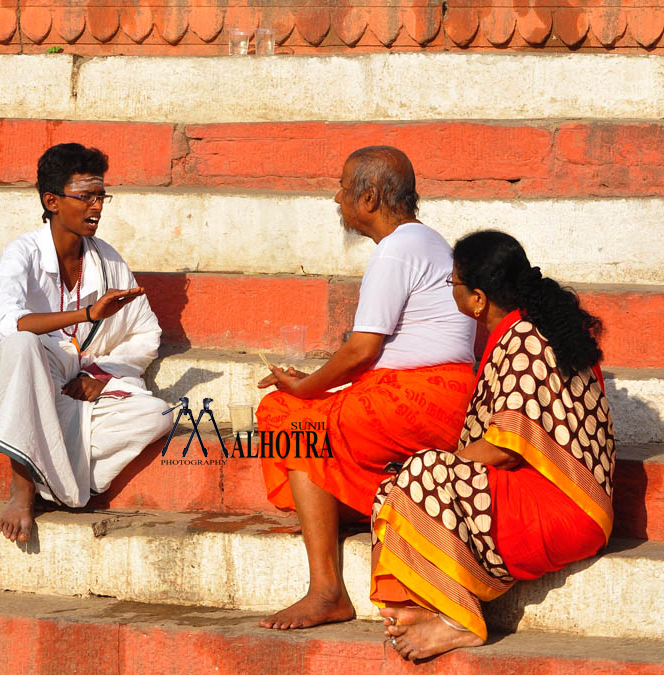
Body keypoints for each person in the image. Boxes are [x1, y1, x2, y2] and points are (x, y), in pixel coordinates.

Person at [255, 146, 477, 630]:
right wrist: (312, 384)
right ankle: (349, 506)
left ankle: (326, 591)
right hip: (439, 393)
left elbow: (362, 351)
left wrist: (305, 389)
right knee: (305, 410)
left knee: (287, 415)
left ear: (370, 197)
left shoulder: (397, 247)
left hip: (419, 399)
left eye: (343, 187)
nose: (337, 198)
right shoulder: (430, 241)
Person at [373, 230, 615, 660]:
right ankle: (421, 601)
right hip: (539, 492)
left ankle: (458, 620)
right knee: (398, 484)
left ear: (479, 299)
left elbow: (504, 447)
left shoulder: (525, 337)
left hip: (566, 503)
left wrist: (440, 464)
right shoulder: (520, 325)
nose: (451, 291)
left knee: (422, 472)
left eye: (453, 284)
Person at [0, 143, 173, 543]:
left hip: (71, 384)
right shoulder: (21, 253)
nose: (97, 207)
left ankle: (55, 481)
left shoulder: (107, 261)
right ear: (53, 201)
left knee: (158, 415)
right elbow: (11, 325)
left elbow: (145, 332)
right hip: (12, 373)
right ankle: (23, 487)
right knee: (25, 344)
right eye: (85, 197)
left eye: (101, 196)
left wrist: (100, 376)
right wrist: (87, 315)